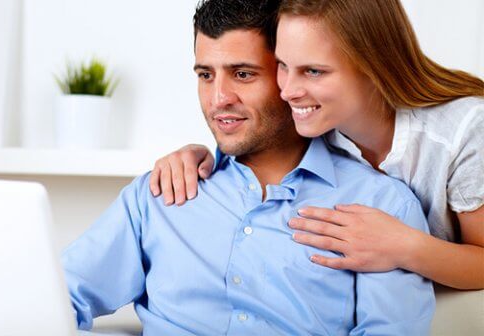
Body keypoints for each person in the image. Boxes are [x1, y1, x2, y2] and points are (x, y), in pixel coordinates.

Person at [0, 1, 435, 335]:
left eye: (243, 74)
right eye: (204, 74)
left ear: (289, 76)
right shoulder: (162, 194)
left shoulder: (382, 207)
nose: (218, 99)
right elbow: (58, 300)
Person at [149, 0, 484, 290]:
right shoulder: (316, 124)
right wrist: (197, 155)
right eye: (283, 66)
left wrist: (405, 247)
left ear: (373, 67)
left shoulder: (462, 132)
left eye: (313, 71)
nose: (288, 91)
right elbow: (253, 137)